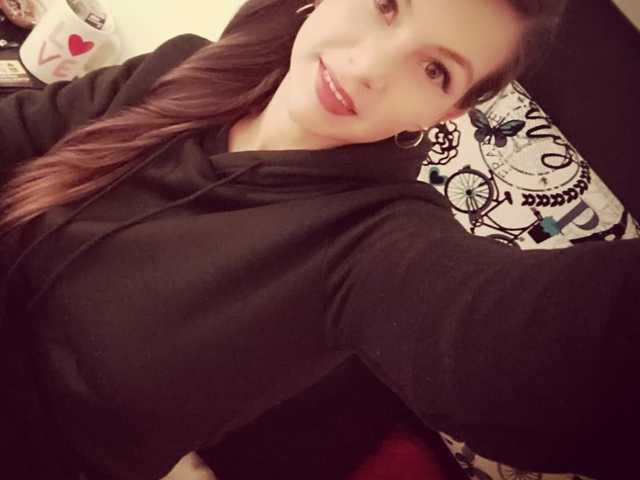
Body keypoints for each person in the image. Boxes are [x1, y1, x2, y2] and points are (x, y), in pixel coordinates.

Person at [0, 0, 637, 479]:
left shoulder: (370, 243)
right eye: (386, 5)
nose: (367, 68)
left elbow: (515, 351)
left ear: (446, 113)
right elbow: (22, 126)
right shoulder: (188, 65)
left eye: (434, 69)